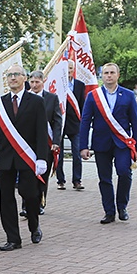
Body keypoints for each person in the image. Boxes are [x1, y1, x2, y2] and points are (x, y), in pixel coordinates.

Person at [0, 63, 49, 250]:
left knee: (29, 194)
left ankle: (34, 224)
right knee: (6, 198)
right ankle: (13, 238)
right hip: (5, 158)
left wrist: (42, 158)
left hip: (27, 157)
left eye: (17, 74)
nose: (12, 78)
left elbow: (41, 132)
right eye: (10, 75)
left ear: (24, 78)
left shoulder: (36, 101)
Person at [79, 63, 137, 224]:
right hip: (101, 143)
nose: (109, 75)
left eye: (112, 72)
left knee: (124, 172)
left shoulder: (128, 95)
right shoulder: (94, 96)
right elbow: (85, 122)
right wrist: (83, 146)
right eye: (106, 73)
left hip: (122, 143)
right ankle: (109, 211)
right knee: (104, 178)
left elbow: (135, 123)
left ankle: (122, 207)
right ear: (102, 76)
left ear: (117, 75)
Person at [27, 70, 62, 214]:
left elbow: (57, 121)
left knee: (43, 174)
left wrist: (56, 141)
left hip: (46, 143)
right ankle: (26, 205)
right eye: (32, 82)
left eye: (37, 82)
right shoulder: (25, 97)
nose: (34, 85)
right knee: (27, 175)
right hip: (27, 143)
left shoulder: (52, 98)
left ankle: (40, 202)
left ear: (43, 82)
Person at [56, 59, 86, 191]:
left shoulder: (80, 85)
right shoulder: (58, 84)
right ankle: (60, 180)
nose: (68, 70)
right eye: (66, 68)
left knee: (77, 153)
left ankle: (77, 180)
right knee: (59, 154)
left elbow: (82, 104)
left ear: (73, 70)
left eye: (70, 68)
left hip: (75, 123)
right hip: (60, 123)